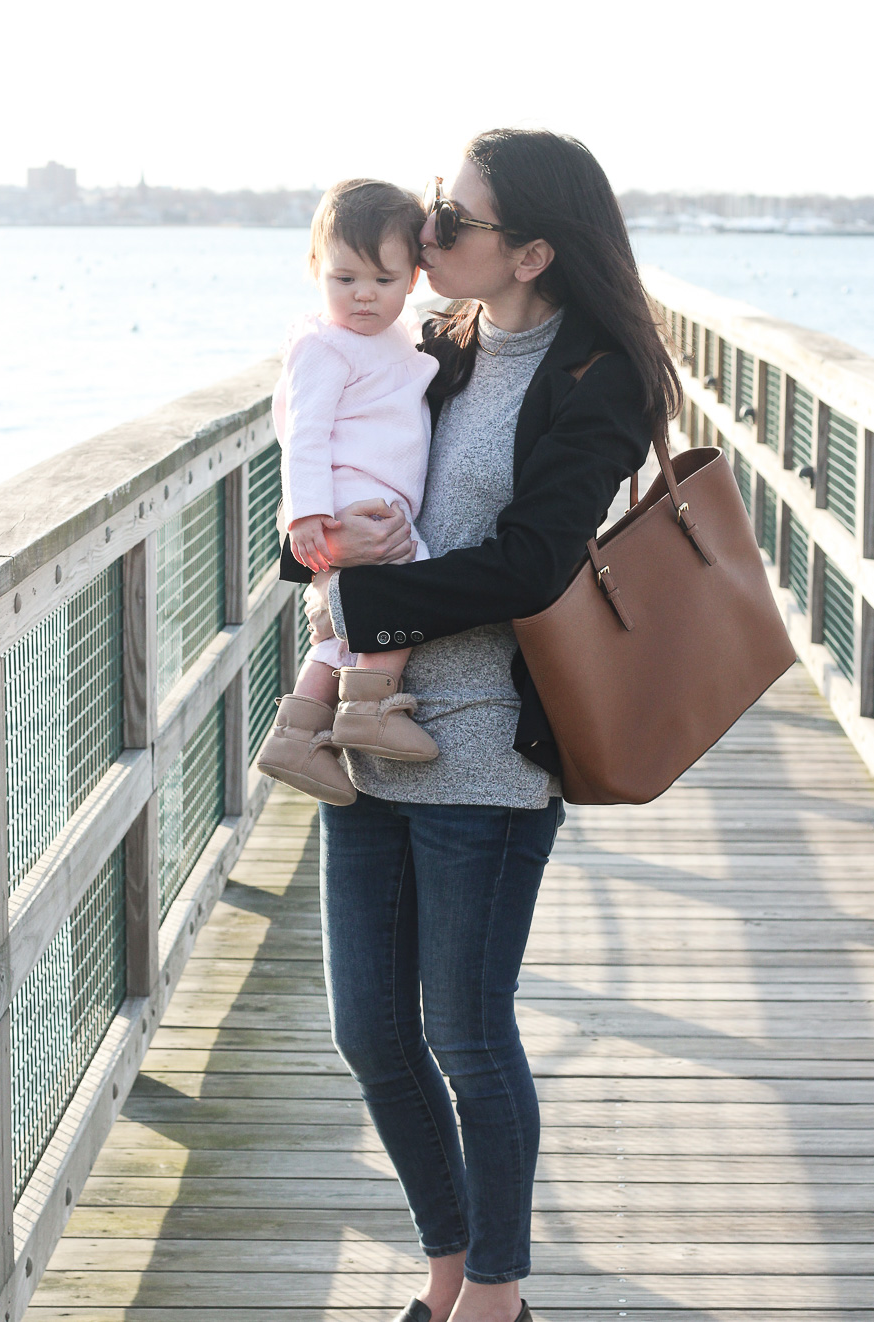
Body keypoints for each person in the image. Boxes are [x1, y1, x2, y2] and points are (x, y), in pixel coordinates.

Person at [280, 130, 682, 1322]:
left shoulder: (598, 374)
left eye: (452, 220)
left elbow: (531, 561)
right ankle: (446, 1263)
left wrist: (363, 593)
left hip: (489, 748)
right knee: (369, 1032)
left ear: (533, 249)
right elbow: (343, 479)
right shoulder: (430, 344)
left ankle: (495, 1296)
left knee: (463, 1028)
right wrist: (319, 543)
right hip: (372, 733)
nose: (425, 234)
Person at [257, 179, 440, 807]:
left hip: (371, 498)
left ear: (413, 279)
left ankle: (297, 733)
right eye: (345, 279)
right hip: (353, 503)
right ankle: (371, 708)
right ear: (315, 271)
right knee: (403, 593)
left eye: (384, 281)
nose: (364, 294)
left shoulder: (401, 333)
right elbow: (302, 435)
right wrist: (307, 515)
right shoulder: (323, 346)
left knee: (336, 632)